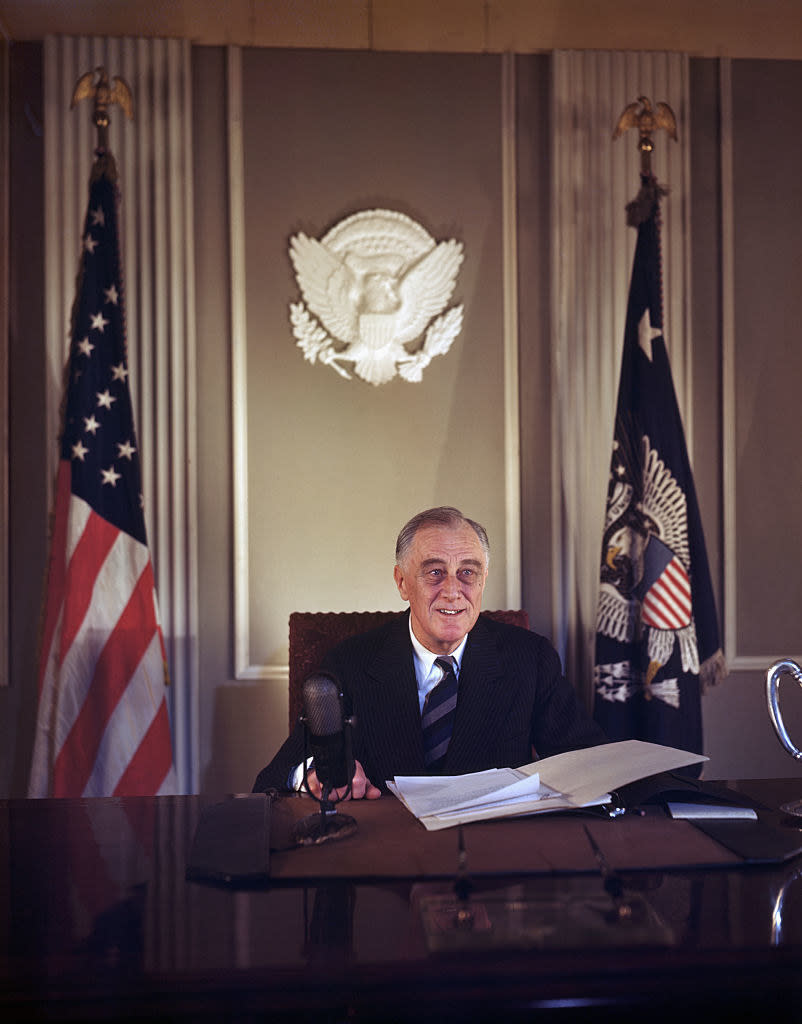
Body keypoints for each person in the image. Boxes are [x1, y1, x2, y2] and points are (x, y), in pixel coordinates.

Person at [252, 506, 606, 798]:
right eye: (435, 572)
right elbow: (277, 775)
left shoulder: (530, 658)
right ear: (402, 582)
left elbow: (588, 762)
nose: (453, 591)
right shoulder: (349, 663)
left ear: (483, 580)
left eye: (467, 572)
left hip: (493, 861)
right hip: (389, 861)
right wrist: (317, 775)